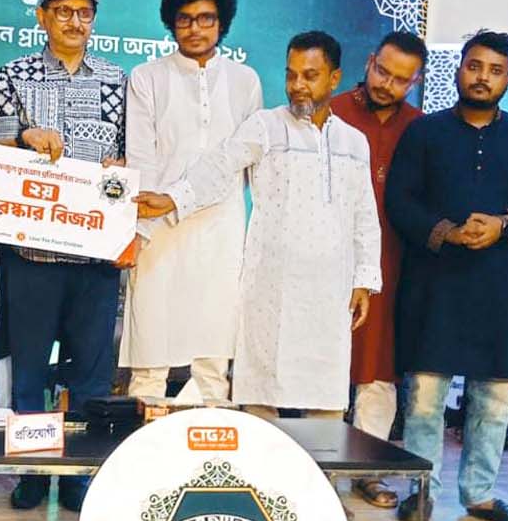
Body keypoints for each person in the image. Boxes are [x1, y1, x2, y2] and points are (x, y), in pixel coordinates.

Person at [137, 31, 381, 419]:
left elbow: (364, 215)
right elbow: (219, 167)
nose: (298, 86)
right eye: (291, 74)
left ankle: (320, 461)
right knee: (262, 397)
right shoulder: (266, 127)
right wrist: (173, 199)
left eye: (310, 76)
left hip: (330, 292)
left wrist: (364, 279)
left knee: (326, 406)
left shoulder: (354, 142)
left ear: (334, 78)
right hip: (271, 289)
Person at [386, 31, 508, 521]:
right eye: (475, 66)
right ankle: (422, 491)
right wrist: (448, 232)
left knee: (495, 400)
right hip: (434, 284)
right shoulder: (424, 133)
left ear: (507, 78)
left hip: (499, 288)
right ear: (459, 69)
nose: (483, 78)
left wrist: (504, 226)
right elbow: (400, 201)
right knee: (424, 398)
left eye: (495, 70)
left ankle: (480, 494)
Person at [0, 0, 127, 512]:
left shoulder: (118, 80)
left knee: (91, 375)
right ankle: (35, 471)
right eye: (63, 12)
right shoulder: (13, 75)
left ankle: (80, 476)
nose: (74, 22)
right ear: (41, 17)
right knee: (30, 372)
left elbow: (133, 154)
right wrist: (22, 136)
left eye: (84, 13)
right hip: (31, 256)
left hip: (95, 257)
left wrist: (121, 169)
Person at [119, 0, 261, 403]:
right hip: (158, 228)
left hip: (221, 228)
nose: (195, 29)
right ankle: (145, 442)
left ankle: (211, 442)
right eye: (185, 19)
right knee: (150, 357)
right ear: (171, 22)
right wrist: (140, 230)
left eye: (205, 19)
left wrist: (177, 198)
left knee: (213, 362)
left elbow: (241, 159)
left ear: (222, 22)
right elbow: (141, 158)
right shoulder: (147, 77)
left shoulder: (245, 81)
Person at [330, 30, 427, 509]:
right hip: (327, 257)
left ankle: (367, 470)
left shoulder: (421, 128)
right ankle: (323, 466)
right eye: (382, 72)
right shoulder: (331, 112)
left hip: (393, 259)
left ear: (416, 82)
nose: (387, 84)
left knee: (379, 367)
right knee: (326, 363)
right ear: (369, 62)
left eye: (400, 80)